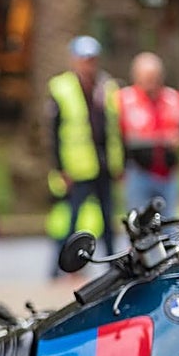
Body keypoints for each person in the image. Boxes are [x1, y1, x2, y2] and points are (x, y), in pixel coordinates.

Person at [47, 34, 123, 275]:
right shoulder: (62, 87)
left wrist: (119, 162)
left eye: (91, 59)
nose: (88, 64)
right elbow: (54, 133)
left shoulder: (106, 86)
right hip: (77, 167)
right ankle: (57, 269)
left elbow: (115, 128)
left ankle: (113, 268)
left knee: (108, 221)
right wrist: (61, 168)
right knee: (71, 221)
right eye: (84, 59)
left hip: (103, 164)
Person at [118, 51, 179, 215]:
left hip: (168, 172)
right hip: (138, 171)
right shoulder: (124, 99)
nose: (151, 82)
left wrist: (177, 139)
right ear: (136, 77)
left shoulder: (173, 98)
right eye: (147, 77)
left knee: (169, 224)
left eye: (155, 77)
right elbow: (119, 134)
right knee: (140, 223)